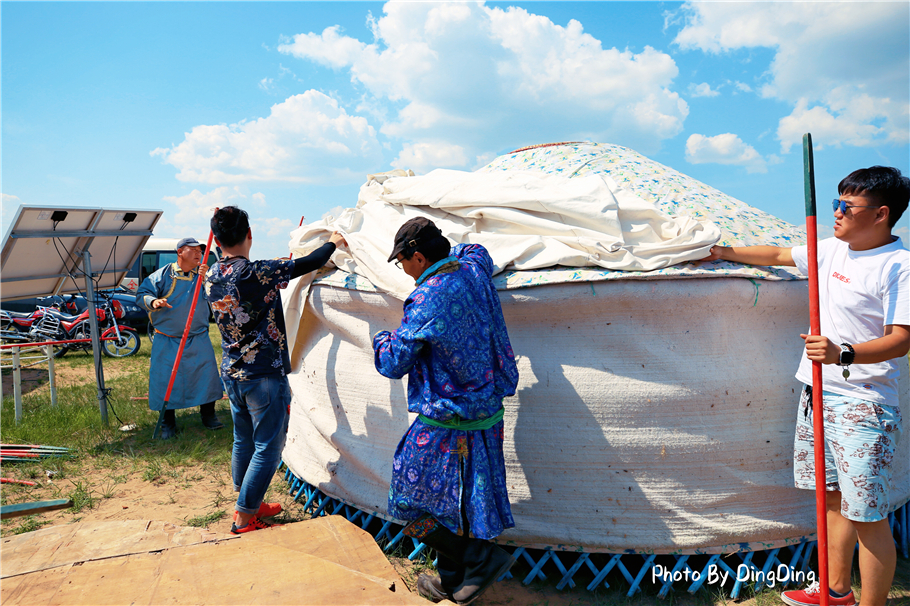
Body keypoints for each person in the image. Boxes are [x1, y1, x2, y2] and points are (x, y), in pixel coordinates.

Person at [702, 166, 909, 606]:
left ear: (881, 214)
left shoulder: (899, 265)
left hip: (863, 404)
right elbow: (777, 255)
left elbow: (902, 339)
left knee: (868, 516)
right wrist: (722, 251)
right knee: (833, 500)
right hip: (817, 395)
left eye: (846, 206)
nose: (835, 211)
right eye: (835, 201)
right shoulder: (832, 249)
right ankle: (836, 592)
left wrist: (843, 353)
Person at [372, 218, 520, 605]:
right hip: (487, 410)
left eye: (402, 261)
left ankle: (479, 559)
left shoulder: (428, 298)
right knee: (458, 503)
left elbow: (392, 363)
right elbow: (475, 249)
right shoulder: (471, 269)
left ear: (418, 257)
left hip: (449, 418)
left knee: (407, 497)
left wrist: (380, 338)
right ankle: (450, 582)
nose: (402, 270)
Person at [204, 206, 346, 535]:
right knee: (269, 445)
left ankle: (248, 501)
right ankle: (244, 516)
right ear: (249, 234)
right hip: (263, 374)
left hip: (232, 370)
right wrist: (334, 242)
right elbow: (309, 263)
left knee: (243, 441)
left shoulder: (212, 273)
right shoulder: (255, 271)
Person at [137, 237, 224, 440]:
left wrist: (208, 279)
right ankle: (168, 423)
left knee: (206, 377)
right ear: (179, 252)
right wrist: (154, 301)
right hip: (168, 339)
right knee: (165, 380)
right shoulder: (162, 275)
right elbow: (142, 293)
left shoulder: (204, 274)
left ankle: (209, 416)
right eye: (192, 250)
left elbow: (220, 295)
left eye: (200, 251)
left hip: (198, 337)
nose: (198, 254)